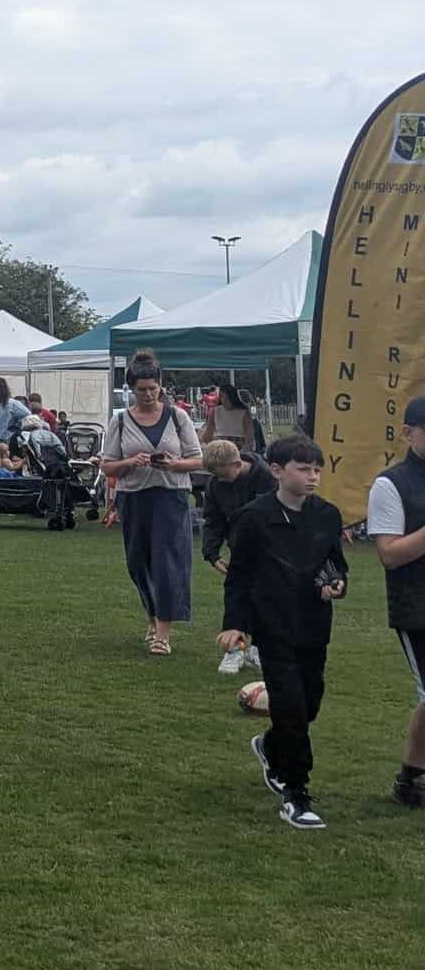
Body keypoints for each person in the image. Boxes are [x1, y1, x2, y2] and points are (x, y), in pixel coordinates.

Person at [219, 436, 347, 830]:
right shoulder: (254, 517)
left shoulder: (327, 515)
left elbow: (335, 565)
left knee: (308, 706)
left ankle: (271, 745)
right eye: (303, 469)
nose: (312, 477)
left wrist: (334, 584)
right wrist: (235, 625)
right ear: (277, 471)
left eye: (317, 470)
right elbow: (239, 576)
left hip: (313, 625)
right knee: (290, 705)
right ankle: (295, 793)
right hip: (272, 627)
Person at [101, 350, 204, 655]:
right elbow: (107, 466)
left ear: (161, 386)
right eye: (141, 389)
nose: (148, 394)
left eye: (153, 388)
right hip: (133, 499)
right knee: (138, 563)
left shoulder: (178, 416)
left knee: (168, 562)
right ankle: (151, 615)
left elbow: (198, 459)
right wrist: (131, 462)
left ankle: (163, 633)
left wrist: (175, 465)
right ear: (131, 390)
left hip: (170, 498)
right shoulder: (119, 421)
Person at [365, 395, 425, 810]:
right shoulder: (391, 484)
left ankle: (410, 778)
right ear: (407, 432)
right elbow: (389, 553)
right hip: (418, 605)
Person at [199, 437, 276, 675]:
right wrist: (211, 552)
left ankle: (259, 649)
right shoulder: (214, 484)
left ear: (236, 463)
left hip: (271, 551)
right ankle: (233, 651)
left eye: (222, 475)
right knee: (235, 599)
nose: (219, 481)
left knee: (267, 600)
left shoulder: (268, 480)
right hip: (239, 551)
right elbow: (213, 520)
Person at [204, 383, 261, 453]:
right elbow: (207, 435)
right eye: (221, 396)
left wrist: (243, 452)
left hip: (239, 449)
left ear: (233, 397)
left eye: (227, 397)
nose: (224, 400)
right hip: (220, 449)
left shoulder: (244, 413)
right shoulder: (215, 411)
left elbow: (249, 438)